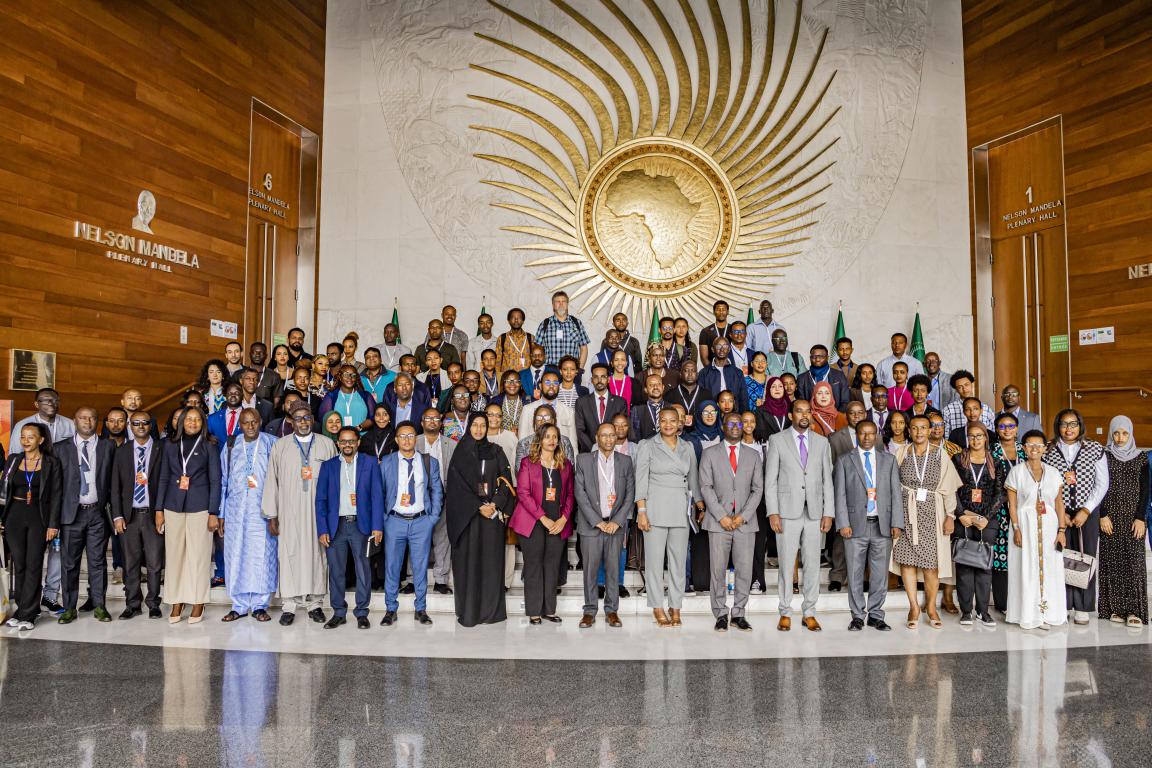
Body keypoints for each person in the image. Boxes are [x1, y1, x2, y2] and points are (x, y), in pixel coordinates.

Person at [263, 402, 336, 626]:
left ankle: (315, 604)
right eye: (298, 418)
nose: (303, 422)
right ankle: (289, 606)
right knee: (289, 555)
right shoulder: (281, 446)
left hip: (319, 514)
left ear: (313, 419)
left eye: (307, 418)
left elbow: (335, 483)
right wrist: (271, 515)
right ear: (291, 421)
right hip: (289, 511)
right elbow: (271, 481)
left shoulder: (326, 444)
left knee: (317, 556)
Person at [764, 399, 835, 631]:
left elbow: (827, 481)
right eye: (799, 411)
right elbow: (770, 480)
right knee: (786, 563)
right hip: (786, 511)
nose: (804, 415)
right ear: (791, 414)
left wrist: (829, 512)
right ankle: (785, 611)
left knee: (813, 563)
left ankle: (809, 612)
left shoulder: (823, 443)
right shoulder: (777, 440)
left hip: (815, 512)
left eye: (807, 411)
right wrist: (773, 511)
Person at [889, 414, 962, 630]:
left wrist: (951, 516)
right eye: (915, 428)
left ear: (930, 431)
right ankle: (913, 606)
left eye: (923, 428)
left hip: (933, 513)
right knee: (907, 562)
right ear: (909, 431)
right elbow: (893, 487)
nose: (919, 432)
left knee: (932, 565)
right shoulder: (901, 453)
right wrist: (894, 519)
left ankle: (930, 607)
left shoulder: (941, 455)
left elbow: (949, 488)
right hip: (906, 512)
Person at [634, 407, 703, 627]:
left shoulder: (688, 447)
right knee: (654, 563)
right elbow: (640, 480)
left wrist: (700, 506)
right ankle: (656, 606)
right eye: (664, 421)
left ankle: (676, 606)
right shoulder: (647, 446)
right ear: (658, 422)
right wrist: (641, 511)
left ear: (680, 422)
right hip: (655, 508)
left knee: (678, 562)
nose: (668, 425)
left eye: (673, 421)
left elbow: (693, 479)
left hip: (680, 510)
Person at [446, 413, 515, 626]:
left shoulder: (496, 451)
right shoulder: (461, 452)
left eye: (482, 425)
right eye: (474, 425)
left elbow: (506, 482)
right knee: (470, 564)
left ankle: (491, 611)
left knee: (491, 564)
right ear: (468, 427)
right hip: (469, 519)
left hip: (491, 518)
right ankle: (470, 611)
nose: (478, 429)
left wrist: (494, 504)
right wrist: (478, 506)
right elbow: (456, 487)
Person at [834, 420, 903, 631]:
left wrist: (896, 522)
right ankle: (857, 615)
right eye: (862, 434)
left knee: (880, 574)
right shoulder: (845, 460)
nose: (866, 437)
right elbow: (840, 495)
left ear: (877, 436)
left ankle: (876, 615)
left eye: (871, 434)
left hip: (882, 525)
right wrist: (843, 523)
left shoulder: (889, 460)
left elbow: (895, 494)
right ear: (857, 435)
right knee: (854, 573)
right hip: (855, 526)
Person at [155, 407, 221, 624]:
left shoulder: (210, 445)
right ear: (181, 421)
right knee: (174, 557)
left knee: (198, 556)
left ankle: (198, 601)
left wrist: (213, 512)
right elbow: (163, 477)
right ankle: (176, 601)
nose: (192, 423)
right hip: (172, 505)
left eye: (197, 419)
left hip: (200, 506)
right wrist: (158, 510)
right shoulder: (170, 444)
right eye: (189, 419)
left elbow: (215, 481)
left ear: (203, 422)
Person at [700, 412, 764, 632]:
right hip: (718, 523)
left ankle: (739, 613)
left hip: (745, 523)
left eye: (739, 423)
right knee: (717, 571)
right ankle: (720, 614)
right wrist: (722, 516)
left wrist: (743, 516)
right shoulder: (709, 454)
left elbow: (758, 489)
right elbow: (705, 487)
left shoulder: (754, 455)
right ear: (723, 426)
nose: (736, 427)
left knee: (744, 570)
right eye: (731, 423)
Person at [315, 427, 383, 629]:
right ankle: (338, 612)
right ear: (338, 443)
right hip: (336, 526)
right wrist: (322, 529)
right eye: (343, 441)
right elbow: (321, 500)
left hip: (361, 525)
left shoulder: (370, 463)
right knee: (336, 571)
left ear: (358, 442)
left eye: (351, 441)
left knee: (363, 570)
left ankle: (362, 612)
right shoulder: (328, 466)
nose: (347, 445)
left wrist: (377, 526)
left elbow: (377, 496)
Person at [379, 420, 443, 627]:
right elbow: (378, 493)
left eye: (410, 435)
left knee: (420, 566)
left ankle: (421, 609)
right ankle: (390, 609)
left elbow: (437, 491)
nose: (407, 440)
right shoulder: (387, 462)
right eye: (402, 436)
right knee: (392, 566)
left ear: (416, 438)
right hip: (394, 521)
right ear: (396, 440)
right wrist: (384, 518)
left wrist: (432, 517)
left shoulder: (429, 462)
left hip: (420, 522)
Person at [1005, 430, 1069, 630]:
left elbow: (1059, 503)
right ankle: (1029, 613)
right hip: (1025, 524)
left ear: (1044, 448)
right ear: (1023, 448)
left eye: (1039, 445)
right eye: (1030, 445)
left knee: (1050, 568)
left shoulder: (1054, 473)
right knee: (1025, 567)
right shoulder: (1016, 472)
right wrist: (1016, 528)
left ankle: (1049, 613)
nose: (1034, 449)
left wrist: (1061, 530)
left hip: (1049, 525)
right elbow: (1012, 505)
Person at [510, 424, 574, 624]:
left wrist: (563, 519)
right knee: (534, 564)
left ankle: (549, 609)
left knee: (552, 565)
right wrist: (543, 518)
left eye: (555, 437)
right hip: (533, 520)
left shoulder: (565, 465)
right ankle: (534, 611)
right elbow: (523, 493)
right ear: (540, 439)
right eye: (547, 436)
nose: (552, 440)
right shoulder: (528, 463)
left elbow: (571, 494)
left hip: (557, 522)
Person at [1, 424, 62, 630]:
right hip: (14, 516)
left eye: (31, 437)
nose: (26, 441)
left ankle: (30, 612)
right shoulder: (13, 460)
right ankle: (21, 609)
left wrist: (53, 524)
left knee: (34, 564)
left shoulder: (51, 463)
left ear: (41, 440)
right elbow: (3, 489)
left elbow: (56, 495)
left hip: (39, 517)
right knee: (20, 564)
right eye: (23, 437)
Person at [56, 407, 114, 623]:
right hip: (71, 515)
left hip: (97, 514)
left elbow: (114, 484)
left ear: (97, 421)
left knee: (98, 562)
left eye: (91, 417)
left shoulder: (109, 447)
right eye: (82, 417)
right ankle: (69, 608)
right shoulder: (60, 448)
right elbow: (55, 487)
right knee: (69, 564)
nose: (87, 421)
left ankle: (100, 606)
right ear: (74, 420)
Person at [218, 409, 277, 622]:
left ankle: (260, 605)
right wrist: (221, 513)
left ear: (261, 421)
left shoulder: (272, 442)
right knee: (236, 556)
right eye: (246, 423)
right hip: (236, 511)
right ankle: (239, 605)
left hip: (263, 510)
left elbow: (278, 478)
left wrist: (275, 513)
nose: (250, 426)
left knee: (262, 556)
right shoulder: (231, 445)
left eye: (254, 422)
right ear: (239, 425)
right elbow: (224, 480)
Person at [574, 422, 634, 628]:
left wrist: (617, 522)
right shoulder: (582, 460)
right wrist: (598, 522)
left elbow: (629, 495)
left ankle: (612, 611)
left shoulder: (625, 461)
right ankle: (589, 611)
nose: (608, 439)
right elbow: (579, 494)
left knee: (613, 569)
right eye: (604, 435)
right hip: (592, 525)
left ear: (616, 437)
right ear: (597, 438)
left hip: (615, 525)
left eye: (612, 435)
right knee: (590, 570)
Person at [110, 409, 164, 620]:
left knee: (154, 562)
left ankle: (153, 603)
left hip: (152, 515)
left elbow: (165, 483)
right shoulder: (122, 451)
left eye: (145, 423)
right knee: (130, 563)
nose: (140, 426)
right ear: (130, 427)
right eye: (136, 423)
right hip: (129, 515)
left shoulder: (162, 449)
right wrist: (117, 516)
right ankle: (132, 604)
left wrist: (161, 511)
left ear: (150, 425)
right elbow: (115, 486)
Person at [1097, 416, 1149, 626]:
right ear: (1111, 433)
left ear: (1131, 433)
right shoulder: (1103, 456)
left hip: (1133, 519)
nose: (1120, 438)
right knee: (1111, 562)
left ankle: (1134, 610)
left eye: (1124, 433)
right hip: (1109, 518)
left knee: (1134, 564)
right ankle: (1114, 609)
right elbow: (1098, 486)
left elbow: (1146, 490)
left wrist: (1140, 518)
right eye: (1116, 433)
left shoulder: (1141, 457)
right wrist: (1102, 515)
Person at [951, 423, 1003, 626]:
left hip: (986, 522)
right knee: (964, 565)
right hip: (963, 519)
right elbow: (952, 489)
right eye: (971, 436)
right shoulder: (958, 460)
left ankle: (983, 611)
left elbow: (1000, 494)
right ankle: (966, 611)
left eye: (979, 436)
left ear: (986, 438)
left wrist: (986, 518)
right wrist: (961, 513)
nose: (975, 440)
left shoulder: (995, 462)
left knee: (984, 566)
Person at [826, 400, 869, 591]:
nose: (857, 416)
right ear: (847, 415)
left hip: (867, 495)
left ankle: (865, 577)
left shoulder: (874, 436)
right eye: (853, 413)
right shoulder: (835, 438)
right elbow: (831, 467)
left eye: (860, 412)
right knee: (841, 536)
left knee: (866, 536)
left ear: (865, 414)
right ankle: (837, 575)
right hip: (843, 492)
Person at [416, 408, 456, 595]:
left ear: (441, 422)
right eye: (428, 418)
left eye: (436, 418)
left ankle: (441, 579)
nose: (432, 421)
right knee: (416, 540)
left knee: (443, 538)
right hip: (417, 499)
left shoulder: (451, 444)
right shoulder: (413, 442)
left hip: (444, 496)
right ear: (422, 422)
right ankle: (411, 578)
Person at [989, 412, 1023, 614]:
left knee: (1022, 553)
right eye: (1002, 426)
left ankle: (1021, 600)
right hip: (999, 509)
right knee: (1001, 556)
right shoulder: (991, 452)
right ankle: (1002, 602)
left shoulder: (1026, 451)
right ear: (996, 430)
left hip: (1023, 509)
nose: (1007, 430)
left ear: (1017, 429)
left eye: (1011, 426)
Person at [575, 362, 628, 453]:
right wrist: (594, 448)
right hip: (589, 453)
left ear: (608, 379)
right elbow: (580, 431)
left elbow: (620, 429)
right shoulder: (581, 402)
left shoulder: (620, 402)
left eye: (603, 377)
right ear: (592, 380)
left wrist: (609, 447)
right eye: (596, 377)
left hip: (614, 452)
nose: (599, 380)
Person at [518, 371, 578, 449]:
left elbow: (573, 443)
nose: (551, 386)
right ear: (540, 386)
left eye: (555, 383)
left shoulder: (569, 411)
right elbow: (522, 441)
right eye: (547, 382)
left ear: (558, 386)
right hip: (534, 458)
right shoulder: (528, 409)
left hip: (561, 458)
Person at [9, 387, 76, 453]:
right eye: (46, 400)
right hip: (34, 463)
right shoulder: (22, 425)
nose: (51, 404)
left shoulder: (70, 424)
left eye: (55, 400)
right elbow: (15, 454)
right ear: (37, 404)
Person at [535, 290, 590, 370]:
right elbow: (538, 349)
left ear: (567, 304)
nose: (561, 304)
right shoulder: (545, 324)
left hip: (571, 370)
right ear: (553, 305)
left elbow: (584, 348)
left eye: (563, 301)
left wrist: (580, 369)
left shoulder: (577, 323)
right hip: (550, 370)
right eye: (558, 302)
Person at [700, 337, 749, 412]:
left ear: (729, 349)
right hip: (711, 415)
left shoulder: (737, 372)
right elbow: (700, 399)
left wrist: (743, 416)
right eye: (718, 346)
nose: (722, 349)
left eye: (725, 346)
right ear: (713, 349)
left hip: (734, 415)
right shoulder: (704, 373)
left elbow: (743, 398)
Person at [319, 364, 375, 430]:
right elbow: (324, 420)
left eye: (353, 375)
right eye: (346, 375)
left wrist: (359, 428)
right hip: (338, 439)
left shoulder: (366, 395)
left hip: (363, 438)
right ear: (340, 377)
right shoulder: (331, 396)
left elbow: (373, 418)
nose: (350, 378)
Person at [796, 345, 851, 409]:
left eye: (821, 356)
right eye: (814, 357)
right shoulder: (802, 378)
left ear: (827, 357)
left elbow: (845, 401)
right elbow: (802, 403)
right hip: (811, 417)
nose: (817, 359)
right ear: (810, 358)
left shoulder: (839, 375)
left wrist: (837, 416)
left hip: (836, 415)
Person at [665, 359, 712, 429]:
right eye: (686, 370)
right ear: (680, 374)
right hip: (677, 435)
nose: (690, 374)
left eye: (693, 371)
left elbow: (711, 416)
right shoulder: (670, 395)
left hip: (700, 434)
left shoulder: (707, 395)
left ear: (697, 374)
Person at [493, 308, 535, 374]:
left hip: (526, 377)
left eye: (519, 318)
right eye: (513, 317)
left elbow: (534, 359)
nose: (516, 320)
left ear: (523, 321)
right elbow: (498, 361)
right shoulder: (502, 338)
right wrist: (498, 377)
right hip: (508, 377)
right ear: (508, 320)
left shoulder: (531, 338)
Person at [629, 373, 668, 443]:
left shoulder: (671, 407)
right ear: (646, 390)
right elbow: (634, 436)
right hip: (644, 451)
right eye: (651, 385)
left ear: (663, 387)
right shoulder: (637, 410)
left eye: (658, 384)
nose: (655, 387)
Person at [490, 370, 528, 436]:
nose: (512, 384)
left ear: (520, 383)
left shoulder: (529, 401)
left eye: (516, 381)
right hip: (500, 441)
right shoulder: (494, 401)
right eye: (508, 381)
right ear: (503, 384)